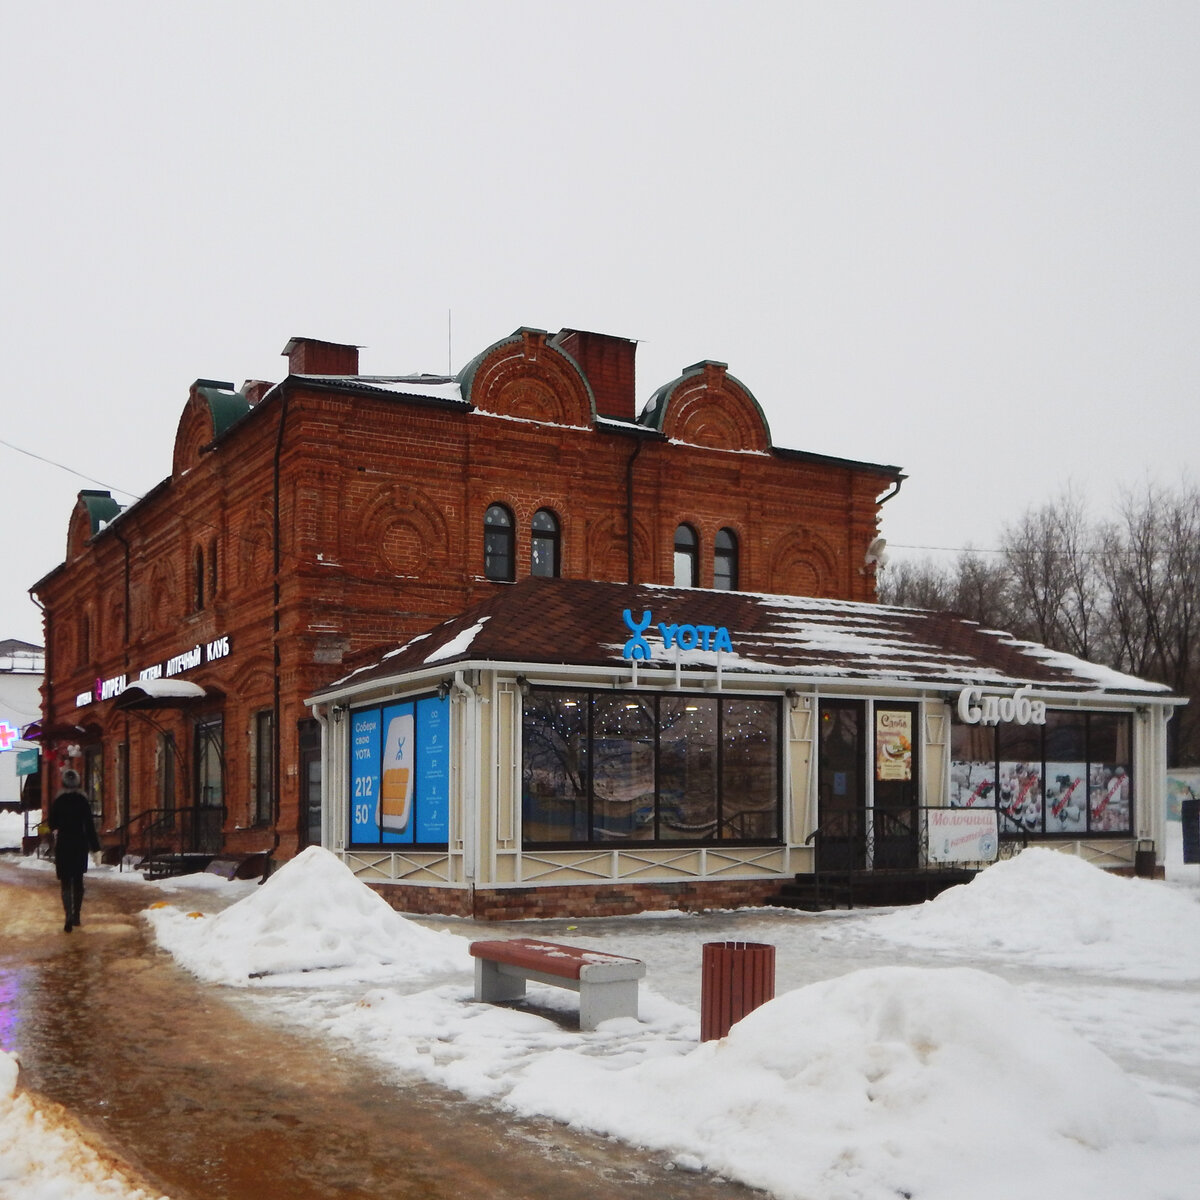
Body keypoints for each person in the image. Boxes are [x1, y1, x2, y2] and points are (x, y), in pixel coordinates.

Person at [49, 768, 100, 932]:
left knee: (65, 881)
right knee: (78, 880)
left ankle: (68, 915)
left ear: (63, 783)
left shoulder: (58, 801)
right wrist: (96, 848)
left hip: (63, 843)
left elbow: (52, 823)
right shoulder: (82, 801)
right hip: (79, 843)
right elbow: (89, 826)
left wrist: (57, 829)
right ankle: (76, 915)